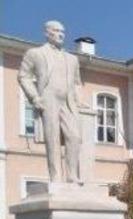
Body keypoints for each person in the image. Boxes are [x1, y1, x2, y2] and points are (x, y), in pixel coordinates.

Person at [18, 20, 84, 184]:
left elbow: (77, 83)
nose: (61, 34)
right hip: (48, 99)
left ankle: (72, 175)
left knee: (74, 136)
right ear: (47, 33)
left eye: (63, 31)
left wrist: (80, 100)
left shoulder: (72, 59)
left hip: (68, 102)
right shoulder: (35, 53)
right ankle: (56, 176)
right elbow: (23, 76)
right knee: (52, 138)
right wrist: (34, 97)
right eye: (56, 31)